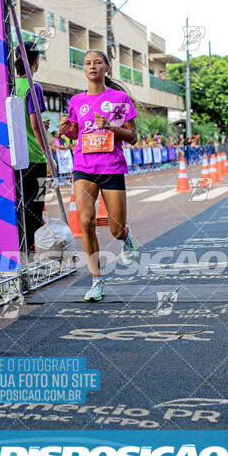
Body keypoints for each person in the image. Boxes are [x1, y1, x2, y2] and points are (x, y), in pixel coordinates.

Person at [59, 50, 138, 301]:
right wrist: (66, 130)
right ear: (84, 69)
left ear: (107, 68)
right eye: (87, 63)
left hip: (112, 167)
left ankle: (126, 238)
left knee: (115, 229)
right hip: (83, 167)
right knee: (85, 222)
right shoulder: (75, 101)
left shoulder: (121, 98)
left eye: (97, 62)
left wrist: (111, 127)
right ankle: (96, 280)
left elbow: (133, 137)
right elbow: (76, 134)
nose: (92, 66)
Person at [15, 42, 49, 252]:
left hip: (14, 157)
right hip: (34, 157)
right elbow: (36, 126)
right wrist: (49, 155)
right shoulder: (33, 87)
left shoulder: (8, 85)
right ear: (36, 62)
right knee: (35, 206)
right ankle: (30, 254)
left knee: (19, 205)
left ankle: (21, 252)